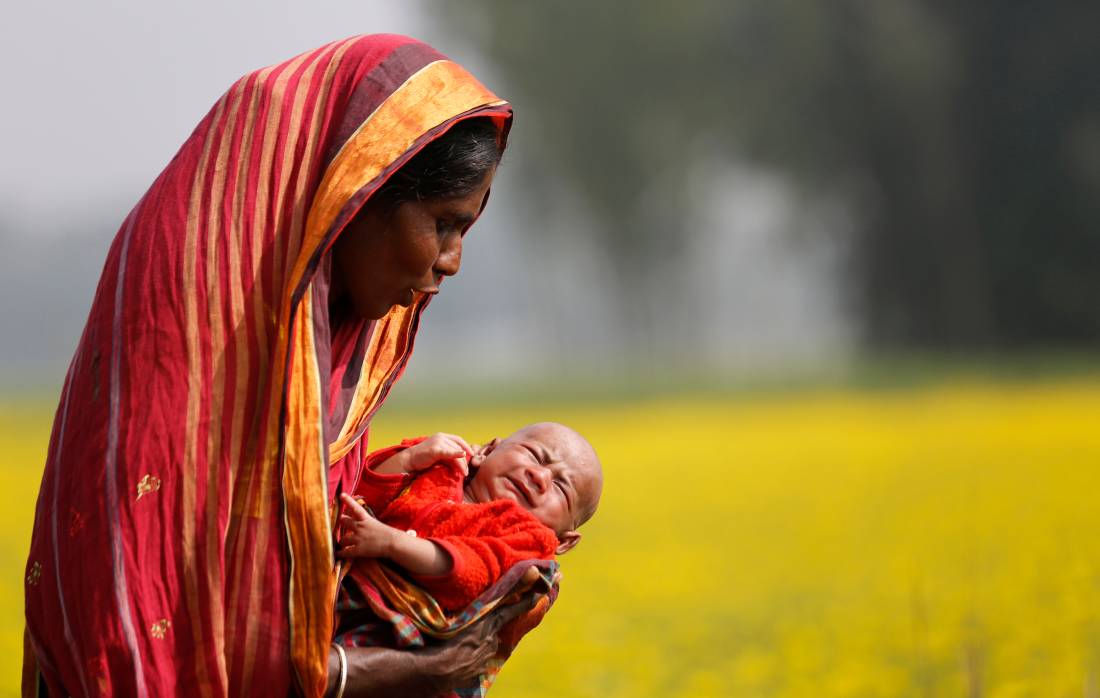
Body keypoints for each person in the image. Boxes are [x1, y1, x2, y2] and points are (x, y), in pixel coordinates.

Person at [22, 35, 543, 698]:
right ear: (355, 191)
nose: (451, 261)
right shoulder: (187, 346)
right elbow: (178, 626)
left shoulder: (320, 353)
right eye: (443, 223)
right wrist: (415, 670)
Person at [337, 422, 604, 612]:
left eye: (561, 487)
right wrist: (408, 460)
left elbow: (470, 570)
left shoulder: (527, 540)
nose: (540, 476)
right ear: (487, 451)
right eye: (534, 455)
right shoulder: (440, 462)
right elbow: (355, 491)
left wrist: (392, 543)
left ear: (563, 542)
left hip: (390, 638)